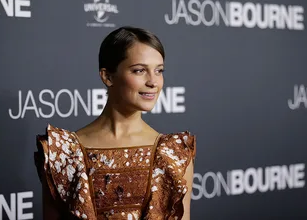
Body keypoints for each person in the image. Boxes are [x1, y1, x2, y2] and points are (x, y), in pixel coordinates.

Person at [35, 26, 196, 219]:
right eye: (139, 70)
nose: (153, 82)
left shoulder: (174, 155)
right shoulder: (65, 155)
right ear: (108, 76)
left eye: (159, 71)